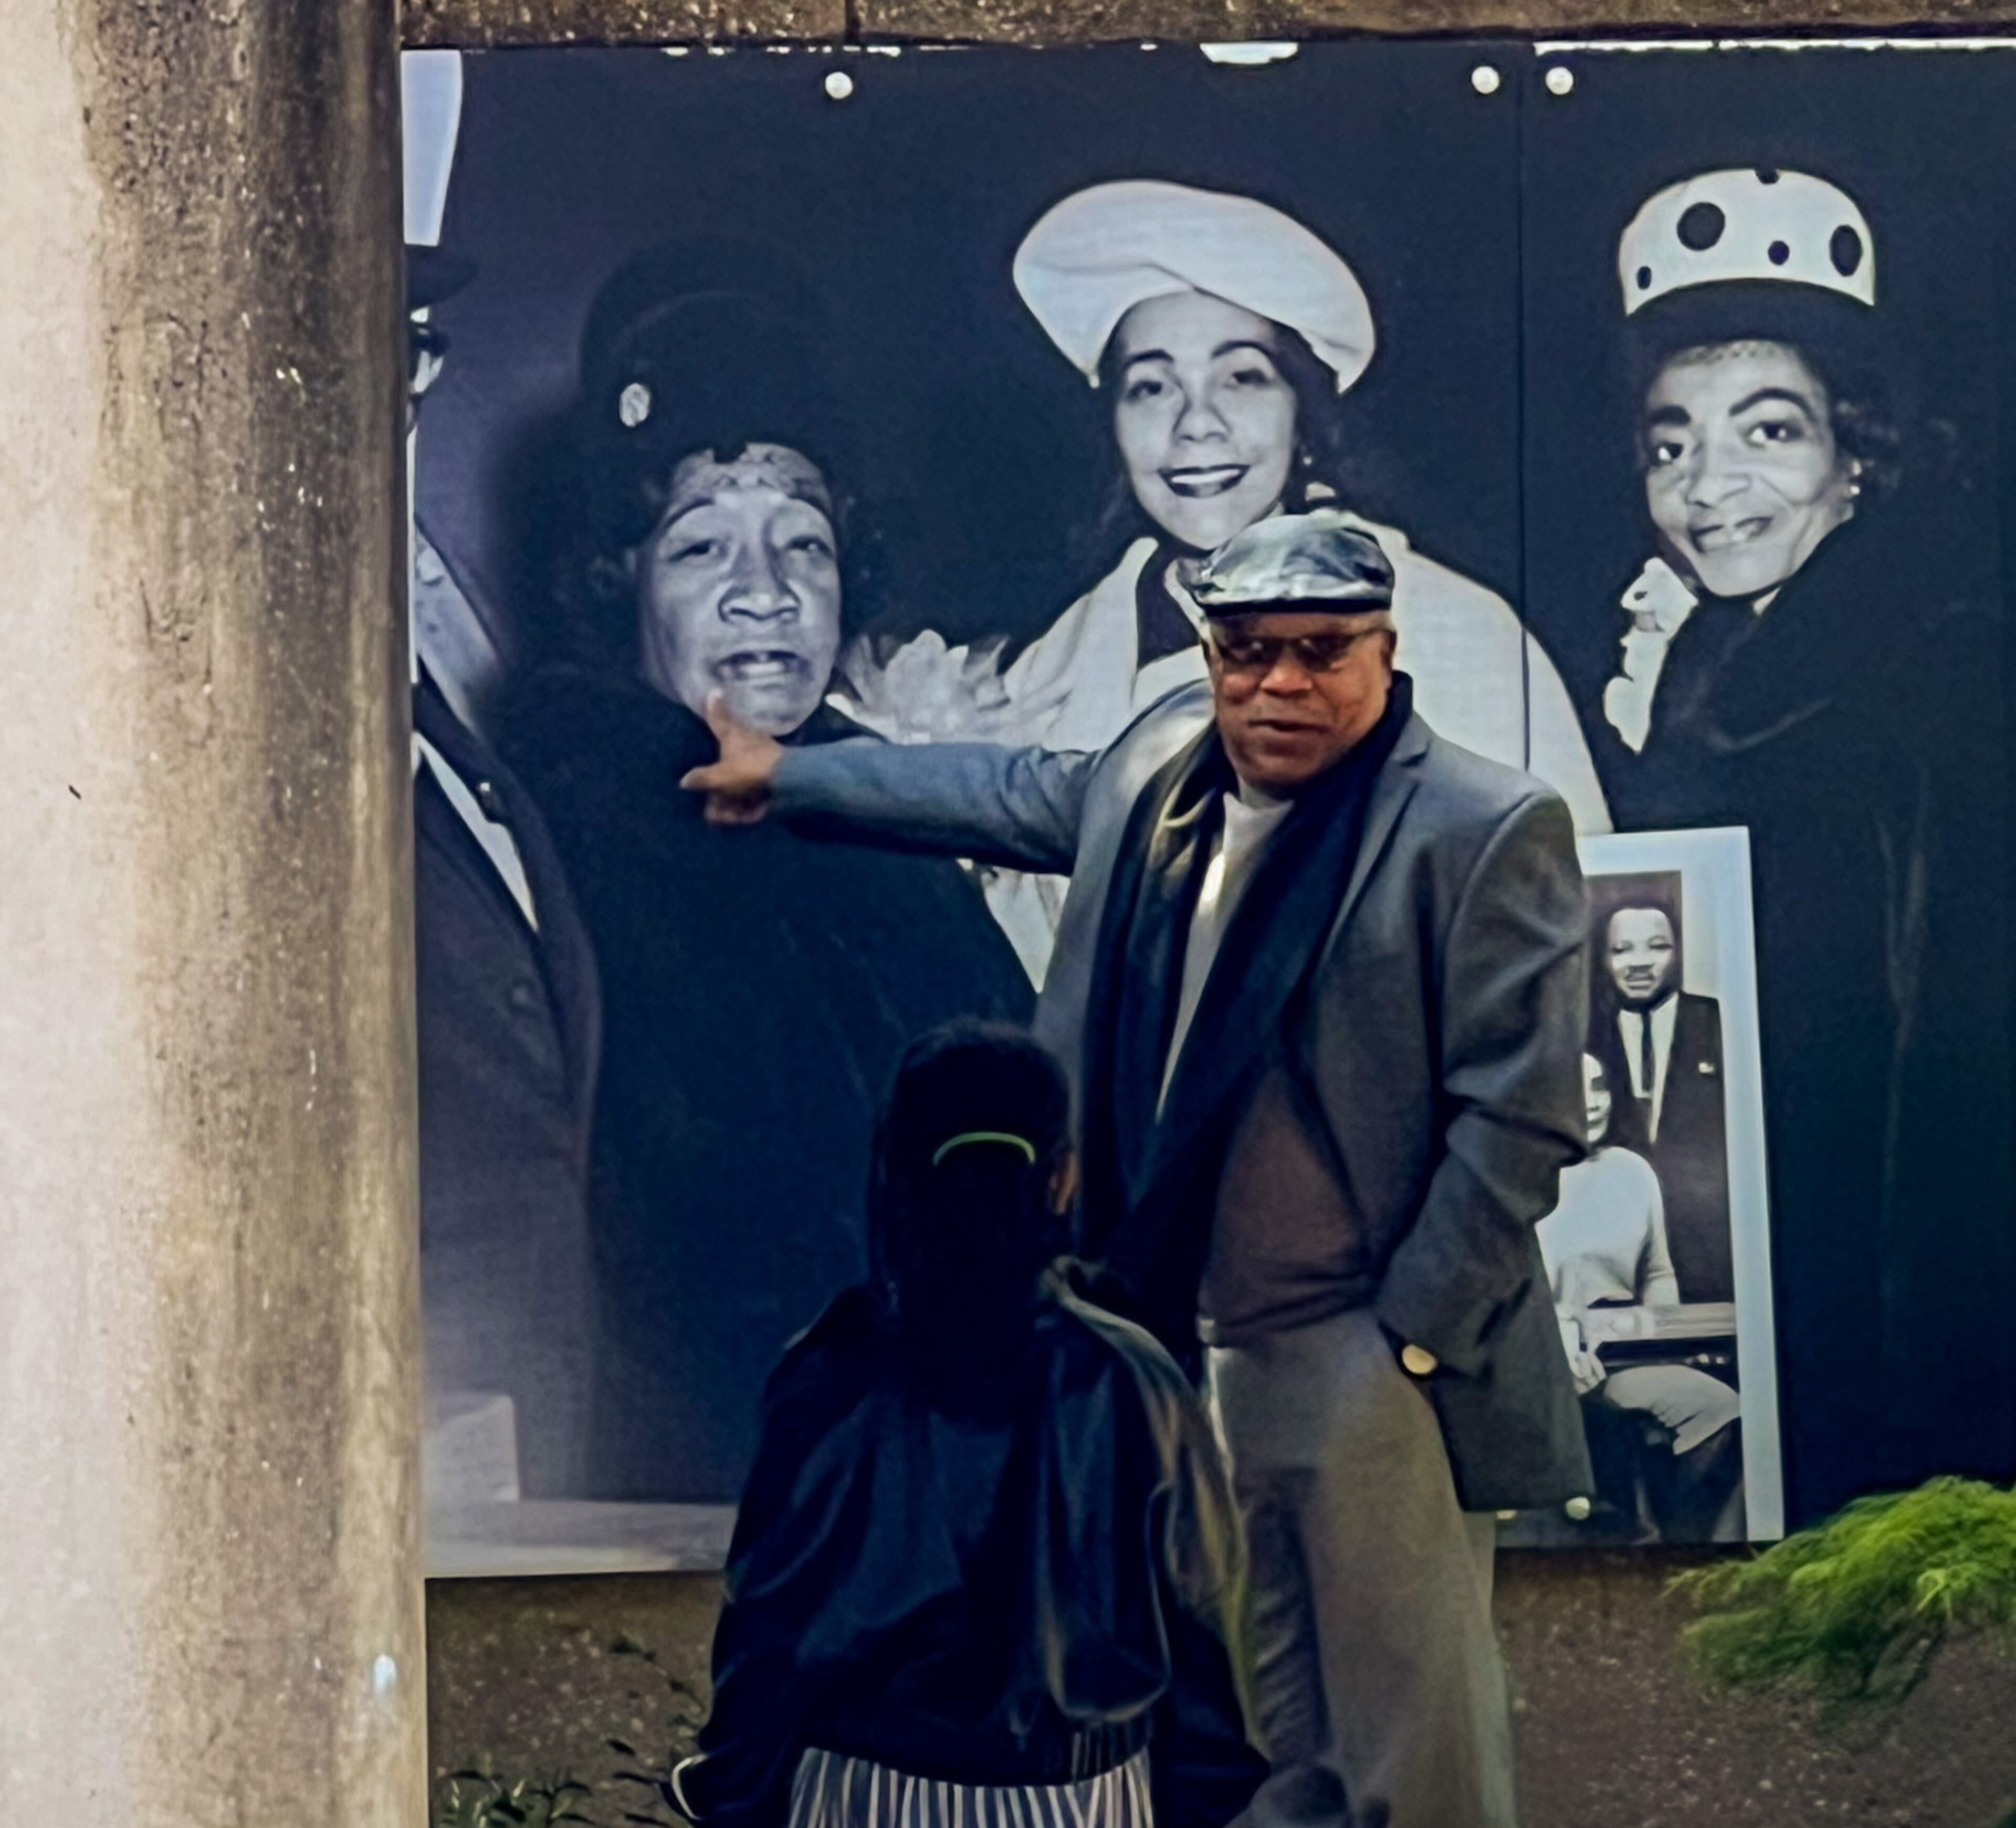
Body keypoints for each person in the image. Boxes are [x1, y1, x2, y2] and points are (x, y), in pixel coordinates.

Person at [686, 513, 1592, 1828]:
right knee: (1257, 1797)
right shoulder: (1159, 773)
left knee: (1423, 1802)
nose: (1279, 682)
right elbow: (1011, 795)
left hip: (1357, 1356)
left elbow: (1522, 1115)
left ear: (1382, 648)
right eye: (1248, 649)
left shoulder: (1478, 822)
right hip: (1178, 1363)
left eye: (1318, 648)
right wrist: (793, 779)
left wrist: (1404, 1336)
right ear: (1204, 653)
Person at [675, 1024, 1265, 1828]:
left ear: (895, 1166)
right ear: (1060, 1173)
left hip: (861, 1804)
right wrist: (1190, 1802)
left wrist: (738, 1814)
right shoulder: (1131, 1372)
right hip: (1067, 1806)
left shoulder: (834, 1368)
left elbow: (773, 1620)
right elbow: (1200, 1602)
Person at [506, 242, 1032, 1502]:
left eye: (802, 543)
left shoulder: (888, 814)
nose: (765, 593)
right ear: (614, 580)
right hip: (727, 1502)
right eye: (700, 549)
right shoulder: (568, 838)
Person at [839, 179, 1608, 981]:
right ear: (1113, 423)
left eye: (1241, 378)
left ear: (1302, 414)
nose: (1194, 424)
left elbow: (1587, 935)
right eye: (1151, 385)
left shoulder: (1466, 642)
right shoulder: (1039, 688)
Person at [1595, 164, 2014, 1518]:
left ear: (1857, 454)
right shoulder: (1729, 672)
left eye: (1765, 432)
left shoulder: (1935, 689)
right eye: (1669, 442)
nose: (1705, 485)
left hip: (1897, 1357)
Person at [405, 60, 602, 1502]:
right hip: (400, 1429)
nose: (396, 392)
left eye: (410, 346)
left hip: (534, 1420)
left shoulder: (427, 695)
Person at [1541, 1051, 1744, 1543]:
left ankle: (1681, 1543)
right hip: (1542, 1365)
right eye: (1572, 1087)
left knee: (1722, 1407)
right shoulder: (1518, 1176)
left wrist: (1671, 1337)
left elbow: (1658, 1271)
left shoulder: (1632, 1172)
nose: (1589, 1102)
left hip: (1622, 1358)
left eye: (1598, 1085)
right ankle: (1624, 1530)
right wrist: (1553, 1339)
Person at [1593, 889, 1732, 1301]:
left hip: (1713, 1261)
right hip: (1617, 1269)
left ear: (1679, 952)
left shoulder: (1719, 1024)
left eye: (1657, 947)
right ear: (1603, 958)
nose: (1638, 963)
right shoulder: (1582, 1037)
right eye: (1621, 949)